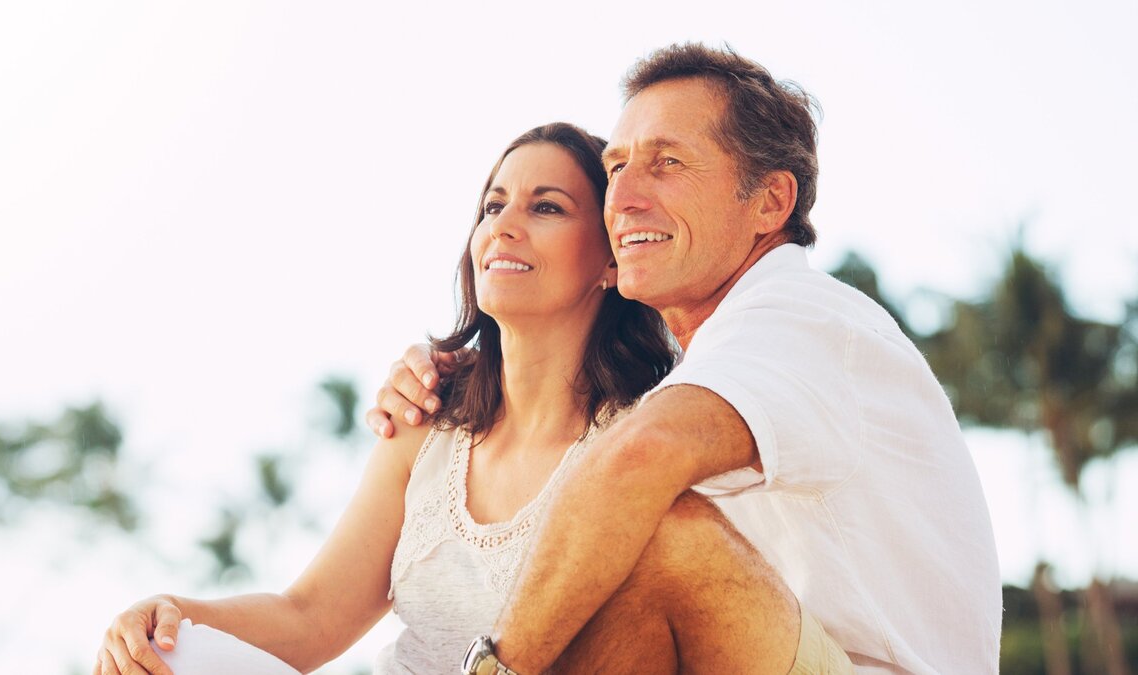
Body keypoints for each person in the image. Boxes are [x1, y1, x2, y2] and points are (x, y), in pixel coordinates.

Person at [370, 44, 1000, 674]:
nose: (622, 198)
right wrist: (463, 374)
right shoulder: (709, 367)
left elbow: (642, 457)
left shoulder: (801, 314)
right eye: (617, 168)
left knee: (656, 528)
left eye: (667, 162)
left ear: (770, 201)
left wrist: (497, 668)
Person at [92, 122, 676, 675]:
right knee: (166, 654)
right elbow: (311, 617)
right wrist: (172, 613)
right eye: (493, 207)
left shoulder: (642, 439)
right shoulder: (427, 422)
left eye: (546, 207)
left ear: (610, 258)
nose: (503, 227)